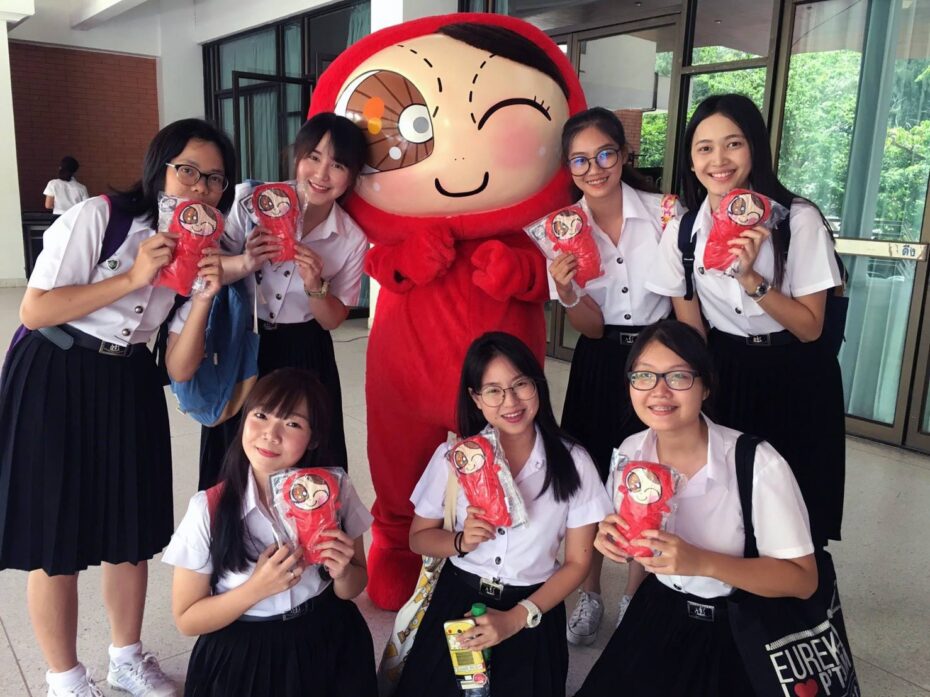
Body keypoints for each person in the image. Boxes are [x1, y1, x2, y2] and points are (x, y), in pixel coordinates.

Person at [0, 118, 235, 697]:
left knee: (129, 527)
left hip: (128, 378)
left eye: (214, 179)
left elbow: (179, 366)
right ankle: (64, 678)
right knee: (57, 534)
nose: (199, 188)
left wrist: (205, 294)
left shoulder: (205, 249)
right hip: (57, 370)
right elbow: (35, 310)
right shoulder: (99, 218)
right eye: (188, 171)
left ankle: (126, 658)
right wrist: (134, 276)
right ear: (160, 169)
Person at [575, 320, 817, 696]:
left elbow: (802, 580)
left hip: (737, 626)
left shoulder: (756, 464)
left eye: (678, 377)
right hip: (658, 609)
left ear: (705, 386)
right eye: (644, 376)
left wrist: (700, 562)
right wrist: (612, 539)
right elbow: (630, 530)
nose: (659, 391)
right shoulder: (630, 451)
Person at [646, 93, 845, 549]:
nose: (719, 159)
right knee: (733, 505)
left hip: (796, 374)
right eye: (704, 148)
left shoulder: (796, 220)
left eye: (733, 144)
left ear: (754, 147)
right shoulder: (685, 229)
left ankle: (798, 610)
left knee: (796, 509)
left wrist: (751, 278)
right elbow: (692, 333)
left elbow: (810, 327)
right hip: (727, 370)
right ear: (691, 160)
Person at [393, 332, 612, 697]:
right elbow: (418, 537)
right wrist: (460, 541)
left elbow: (577, 562)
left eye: (520, 384)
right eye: (493, 390)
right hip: (458, 600)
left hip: (532, 607)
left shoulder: (575, 462)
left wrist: (516, 618)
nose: (510, 401)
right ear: (476, 399)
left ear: (537, 385)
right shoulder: (456, 458)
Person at [547, 107, 682, 646]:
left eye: (605, 153)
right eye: (580, 159)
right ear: (569, 167)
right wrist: (567, 290)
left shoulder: (666, 214)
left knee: (650, 475)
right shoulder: (564, 230)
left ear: (623, 155)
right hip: (601, 362)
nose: (595, 167)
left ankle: (635, 596)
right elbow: (592, 328)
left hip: (656, 360)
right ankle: (592, 595)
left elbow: (680, 298)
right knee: (593, 478)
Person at [182, 112, 368, 491]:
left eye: (337, 165)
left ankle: (306, 534)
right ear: (296, 157)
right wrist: (245, 261)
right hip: (242, 339)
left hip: (304, 349)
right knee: (233, 445)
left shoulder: (350, 237)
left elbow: (333, 319)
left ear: (351, 177)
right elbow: (206, 270)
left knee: (307, 450)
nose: (321, 174)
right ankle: (227, 535)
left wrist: (316, 285)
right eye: (313, 157)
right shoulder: (253, 202)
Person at [162, 368, 376, 697]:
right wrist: (257, 588)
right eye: (261, 415)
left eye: (292, 423)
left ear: (314, 437)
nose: (270, 434)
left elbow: (353, 587)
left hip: (328, 635)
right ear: (245, 419)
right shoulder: (209, 509)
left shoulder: (333, 492)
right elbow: (187, 619)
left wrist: (344, 571)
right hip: (245, 651)